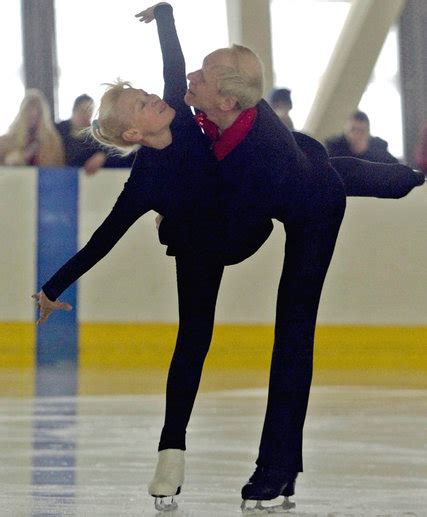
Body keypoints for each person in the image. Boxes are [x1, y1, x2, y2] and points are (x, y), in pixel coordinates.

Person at [32, 3, 424, 513]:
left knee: (296, 319)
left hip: (305, 202)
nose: (184, 80)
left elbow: (248, 224)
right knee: (360, 175)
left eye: (205, 73)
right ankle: (172, 454)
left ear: (227, 98)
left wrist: (173, 222)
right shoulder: (191, 116)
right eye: (148, 100)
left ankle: (277, 471)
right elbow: (106, 236)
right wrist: (52, 288)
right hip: (270, 189)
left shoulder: (259, 151)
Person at [56, 94, 135, 175]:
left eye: (90, 112)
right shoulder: (58, 130)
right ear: (74, 110)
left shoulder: (95, 134)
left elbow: (111, 148)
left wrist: (102, 155)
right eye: (83, 111)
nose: (86, 116)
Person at [0, 89, 64, 166]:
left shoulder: (53, 141)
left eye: (37, 116)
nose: (33, 120)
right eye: (29, 116)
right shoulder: (7, 139)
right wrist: (21, 157)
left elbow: (58, 167)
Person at [325, 110, 399, 163]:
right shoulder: (334, 146)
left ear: (368, 132)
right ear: (346, 130)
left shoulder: (379, 146)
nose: (357, 135)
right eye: (353, 130)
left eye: (361, 131)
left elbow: (395, 167)